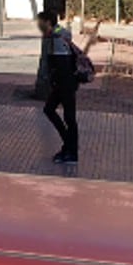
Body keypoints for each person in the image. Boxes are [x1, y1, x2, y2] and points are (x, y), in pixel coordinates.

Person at [39, 12, 80, 163]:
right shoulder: (58, 34)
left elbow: (61, 64)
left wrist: (55, 82)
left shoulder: (56, 39)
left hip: (65, 83)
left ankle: (71, 151)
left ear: (48, 22)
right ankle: (68, 146)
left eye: (41, 22)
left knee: (68, 117)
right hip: (65, 83)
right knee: (53, 111)